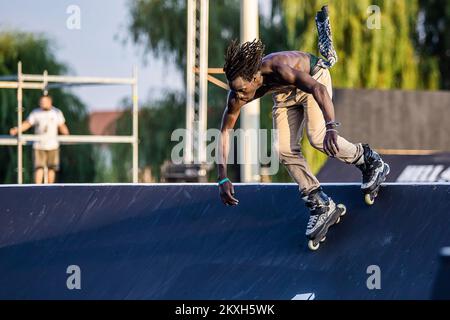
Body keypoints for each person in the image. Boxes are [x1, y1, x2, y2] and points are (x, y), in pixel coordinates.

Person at [216, 37, 390, 241]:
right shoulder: (236, 97)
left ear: (255, 79)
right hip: (284, 95)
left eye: (242, 89)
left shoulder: (278, 68)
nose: (239, 96)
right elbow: (225, 132)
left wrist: (331, 127)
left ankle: (369, 160)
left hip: (314, 79)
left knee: (317, 137)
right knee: (282, 149)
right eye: (234, 90)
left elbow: (318, 89)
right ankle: (320, 203)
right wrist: (223, 177)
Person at [9, 94, 69, 184]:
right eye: (41, 102)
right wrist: (16, 130)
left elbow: (62, 126)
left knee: (52, 168)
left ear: (50, 102)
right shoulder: (36, 113)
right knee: (39, 167)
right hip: (39, 145)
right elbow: (28, 123)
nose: (42, 103)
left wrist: (67, 135)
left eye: (44, 102)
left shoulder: (56, 112)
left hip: (53, 145)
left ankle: (50, 188)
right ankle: (37, 188)